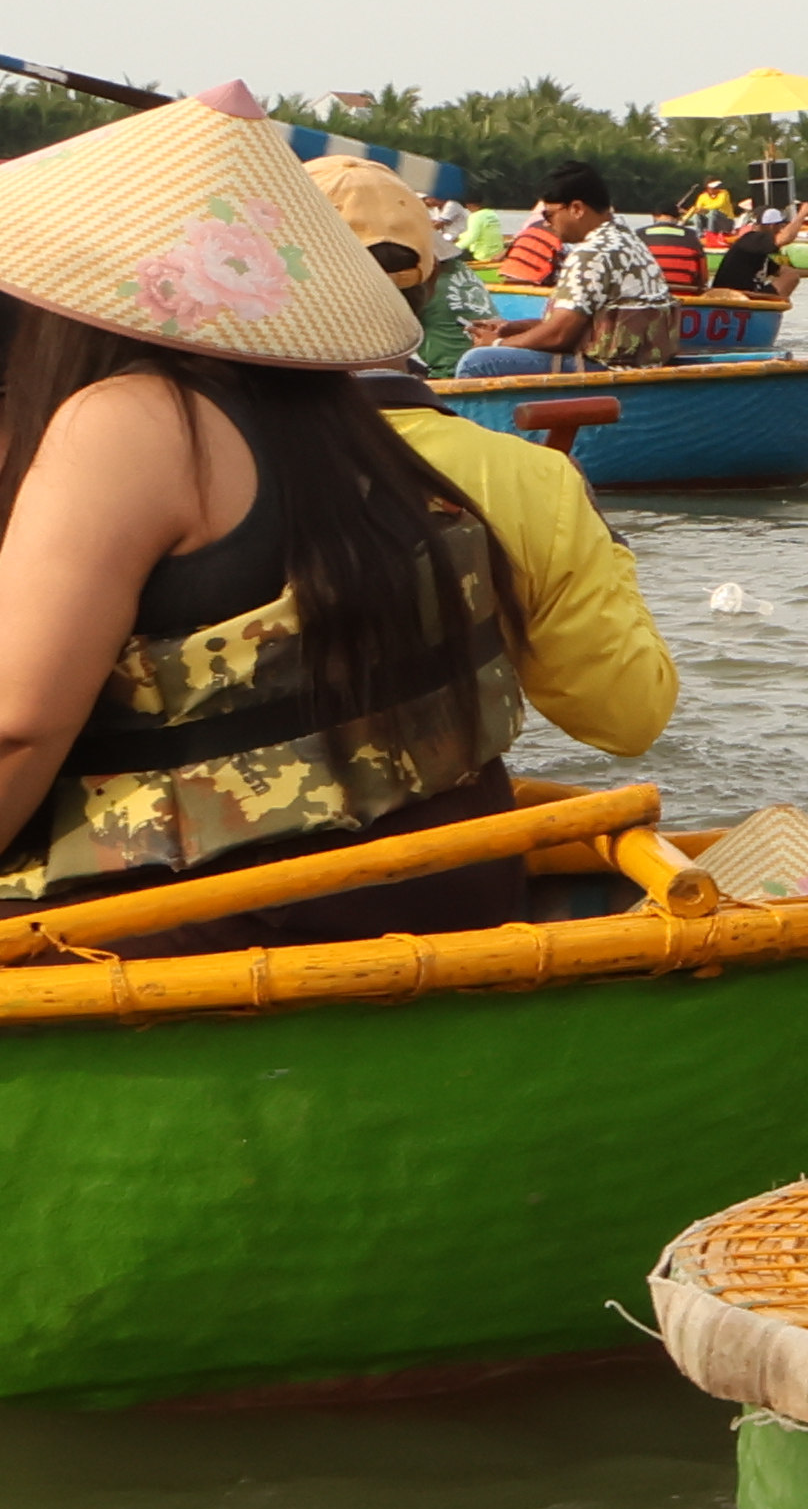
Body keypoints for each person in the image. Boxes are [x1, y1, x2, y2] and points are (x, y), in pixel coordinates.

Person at [0, 94, 534, 939]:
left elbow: (14, 728)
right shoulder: (333, 420)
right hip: (448, 885)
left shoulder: (130, 420)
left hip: (231, 914)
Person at [311, 157, 677, 764]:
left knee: (480, 365)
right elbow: (630, 721)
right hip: (450, 837)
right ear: (428, 289)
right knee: (483, 360)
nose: (550, 221)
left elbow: (561, 335)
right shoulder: (538, 483)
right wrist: (599, 541)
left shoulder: (156, 454)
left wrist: (502, 340)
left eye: (553, 211)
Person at [457, 164, 671, 374]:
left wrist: (497, 344)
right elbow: (585, 324)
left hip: (605, 369)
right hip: (640, 364)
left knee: (477, 361)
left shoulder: (591, 253)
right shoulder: (628, 240)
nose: (547, 224)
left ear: (577, 209)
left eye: (549, 215)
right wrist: (513, 327)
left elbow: (559, 335)